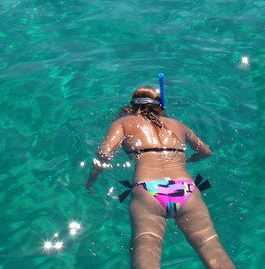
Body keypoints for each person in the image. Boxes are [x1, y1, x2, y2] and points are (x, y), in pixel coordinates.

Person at [85, 85, 235, 269]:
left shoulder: (123, 123)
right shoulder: (178, 125)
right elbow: (206, 152)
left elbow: (104, 154)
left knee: (146, 256)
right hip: (186, 189)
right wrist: (186, 160)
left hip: (148, 190)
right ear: (160, 105)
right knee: (212, 249)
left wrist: (92, 179)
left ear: (132, 104)